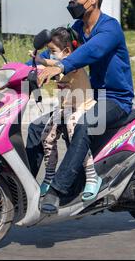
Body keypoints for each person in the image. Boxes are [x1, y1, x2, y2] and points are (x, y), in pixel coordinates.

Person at [26, 0, 134, 214]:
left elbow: (90, 52)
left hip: (114, 100)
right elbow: (57, 52)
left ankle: (58, 191)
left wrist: (61, 66)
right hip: (86, 99)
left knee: (85, 125)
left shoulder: (110, 28)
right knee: (36, 128)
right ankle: (21, 188)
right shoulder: (76, 29)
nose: (70, 3)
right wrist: (25, 68)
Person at [37, 27, 102, 202]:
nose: (50, 55)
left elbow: (55, 65)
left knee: (75, 132)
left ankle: (92, 176)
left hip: (83, 106)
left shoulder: (73, 66)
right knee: (46, 135)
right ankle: (49, 176)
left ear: (66, 52)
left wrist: (43, 62)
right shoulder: (57, 64)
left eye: (52, 52)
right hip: (65, 108)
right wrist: (35, 62)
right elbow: (48, 64)